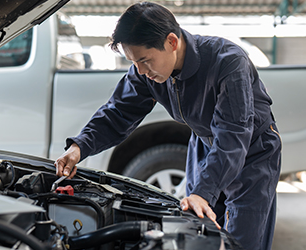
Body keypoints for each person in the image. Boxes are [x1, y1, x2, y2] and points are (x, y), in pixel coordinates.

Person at [55, 2, 281, 250]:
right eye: (134, 62)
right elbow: (118, 111)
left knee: (242, 240)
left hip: (252, 149)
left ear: (172, 42)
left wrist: (203, 192)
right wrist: (79, 147)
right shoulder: (146, 72)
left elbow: (233, 134)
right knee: (198, 230)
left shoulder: (228, 62)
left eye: (144, 60)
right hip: (205, 145)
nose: (140, 71)